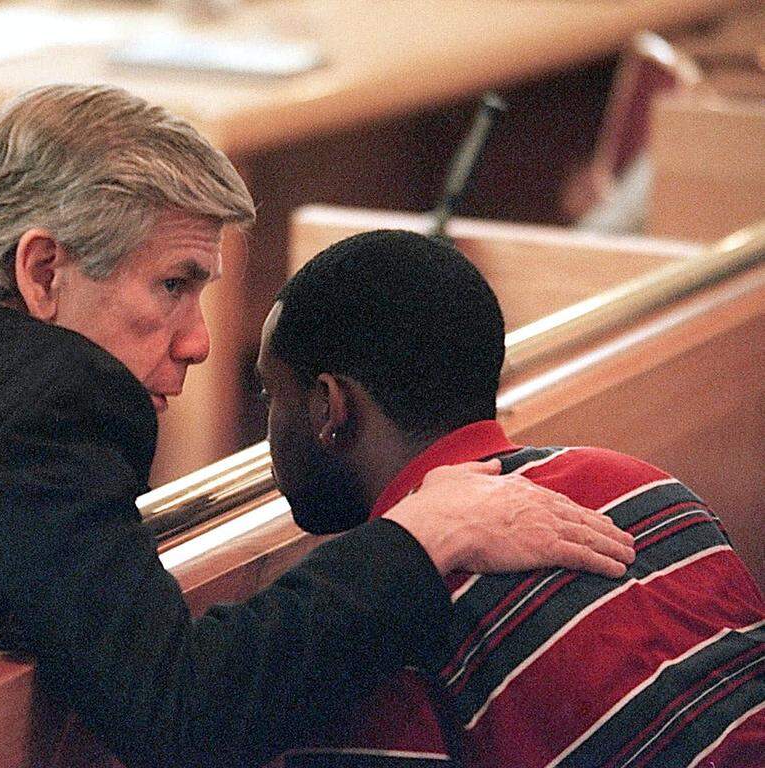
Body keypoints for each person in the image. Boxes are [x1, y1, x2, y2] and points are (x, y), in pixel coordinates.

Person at [0, 85, 634, 767]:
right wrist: (419, 539)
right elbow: (179, 713)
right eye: (172, 286)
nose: (199, 344)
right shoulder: (48, 403)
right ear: (43, 270)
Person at [254, 229, 765, 767]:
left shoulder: (375, 639)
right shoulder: (652, 489)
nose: (268, 424)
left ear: (330, 408)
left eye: (271, 393)